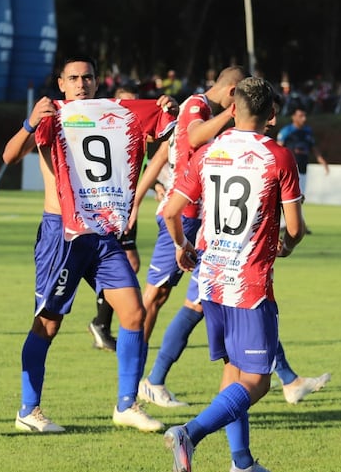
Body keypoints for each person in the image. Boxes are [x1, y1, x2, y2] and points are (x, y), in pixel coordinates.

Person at [2, 55, 178, 433]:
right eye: (73, 78)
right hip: (63, 235)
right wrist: (29, 122)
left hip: (102, 234)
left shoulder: (118, 114)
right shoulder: (51, 115)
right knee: (47, 325)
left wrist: (166, 109)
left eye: (88, 78)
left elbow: (159, 136)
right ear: (61, 84)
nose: (81, 84)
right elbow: (9, 156)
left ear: (98, 83)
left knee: (134, 313)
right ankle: (28, 411)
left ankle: (126, 405)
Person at [139, 89, 331, 409]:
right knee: (196, 311)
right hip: (220, 250)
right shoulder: (201, 113)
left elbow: (166, 154)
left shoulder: (211, 143)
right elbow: (295, 228)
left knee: (232, 352)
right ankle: (165, 393)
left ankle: (246, 450)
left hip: (209, 248)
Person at [163, 77, 305, 472]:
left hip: (210, 280)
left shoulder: (208, 151)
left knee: (233, 372)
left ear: (234, 108)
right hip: (250, 286)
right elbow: (294, 228)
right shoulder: (279, 156)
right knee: (257, 382)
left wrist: (182, 246)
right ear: (272, 115)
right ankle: (189, 432)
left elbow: (171, 212)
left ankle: (242, 463)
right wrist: (287, 247)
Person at [131, 66, 245, 407]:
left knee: (195, 300)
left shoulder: (198, 108)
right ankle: (133, 381)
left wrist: (136, 201)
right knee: (152, 297)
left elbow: (168, 151)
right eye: (238, 100)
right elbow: (193, 138)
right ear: (231, 92)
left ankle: (148, 380)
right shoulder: (197, 106)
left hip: (198, 216)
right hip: (183, 215)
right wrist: (230, 115)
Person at [88, 83, 142, 353]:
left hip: (126, 209)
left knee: (127, 267)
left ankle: (102, 324)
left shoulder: (133, 130)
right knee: (127, 265)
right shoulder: (105, 130)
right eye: (124, 103)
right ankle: (101, 324)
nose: (128, 109)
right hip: (109, 212)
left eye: (134, 103)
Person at [276, 108, 328, 234]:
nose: (303, 118)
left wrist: (322, 160)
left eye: (304, 115)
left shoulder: (307, 132)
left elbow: (313, 147)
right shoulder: (287, 131)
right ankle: (293, 224)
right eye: (300, 116)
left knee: (300, 197)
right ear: (293, 117)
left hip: (303, 167)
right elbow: (278, 147)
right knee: (293, 196)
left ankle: (290, 223)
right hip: (290, 168)